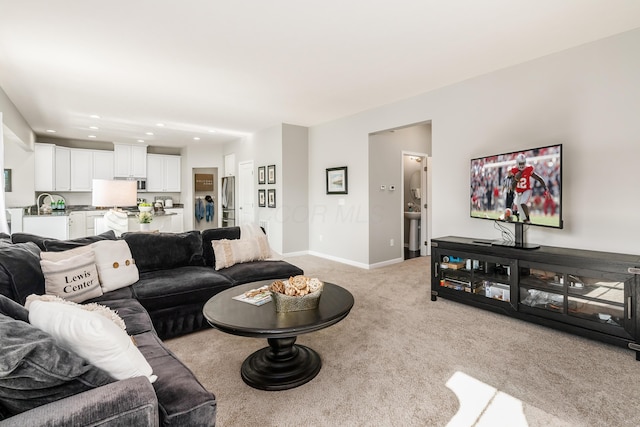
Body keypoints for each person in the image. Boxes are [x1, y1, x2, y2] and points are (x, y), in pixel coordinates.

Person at [506, 153, 548, 224]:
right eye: (520, 163)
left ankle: (528, 220)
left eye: (523, 163)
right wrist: (516, 179)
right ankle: (525, 220)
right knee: (517, 205)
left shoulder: (528, 169)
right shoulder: (514, 170)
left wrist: (545, 187)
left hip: (526, 190)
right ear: (517, 163)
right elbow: (512, 187)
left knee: (522, 203)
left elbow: (538, 178)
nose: (522, 165)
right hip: (518, 192)